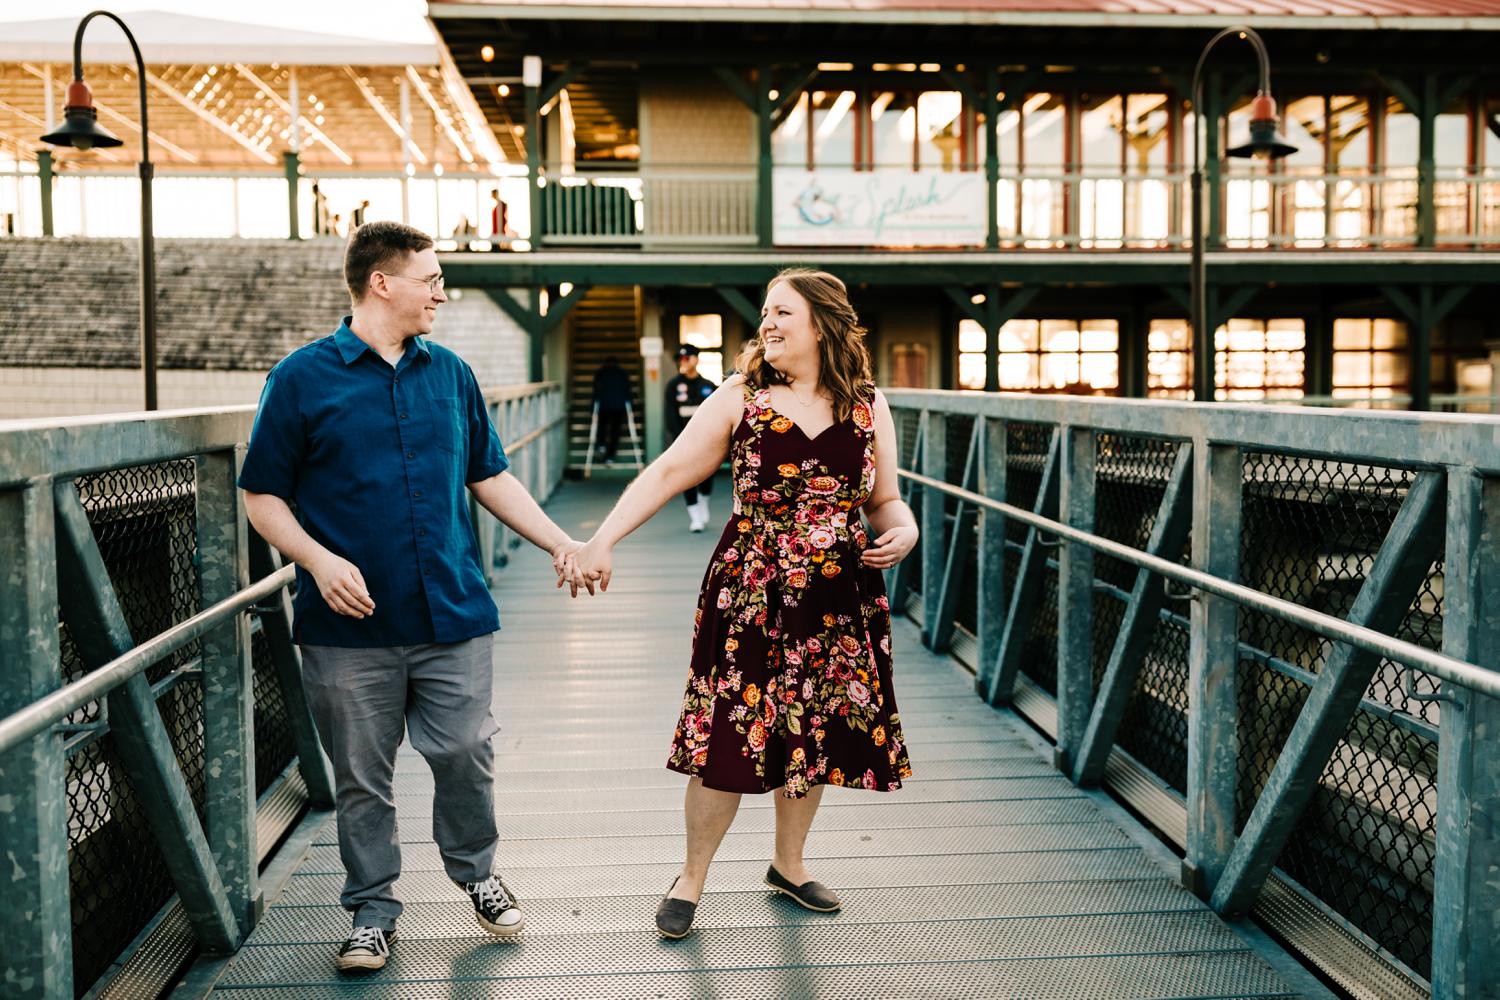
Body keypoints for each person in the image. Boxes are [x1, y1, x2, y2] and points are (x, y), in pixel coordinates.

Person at [239, 220, 583, 973]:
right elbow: (261, 494)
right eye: (431, 280)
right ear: (381, 284)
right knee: (363, 778)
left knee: (465, 749)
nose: (441, 293)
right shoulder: (299, 378)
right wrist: (317, 561)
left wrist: (558, 541)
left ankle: (477, 873)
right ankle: (371, 911)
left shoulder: (452, 374)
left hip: (452, 612)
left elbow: (489, 475)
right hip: (346, 625)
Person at [563, 268, 918, 939]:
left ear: (823, 323)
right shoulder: (741, 398)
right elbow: (668, 470)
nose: (768, 324)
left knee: (811, 733)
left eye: (782, 312)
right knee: (730, 732)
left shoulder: (869, 404)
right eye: (764, 313)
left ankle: (788, 864)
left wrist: (906, 527)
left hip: (837, 598)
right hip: (752, 592)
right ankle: (691, 878)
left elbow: (885, 499)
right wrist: (601, 538)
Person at [663, 343, 719, 531]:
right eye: (680, 359)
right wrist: (680, 440)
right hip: (683, 441)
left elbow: (715, 414)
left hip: (707, 440)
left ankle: (703, 502)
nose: (684, 362)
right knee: (687, 477)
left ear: (696, 359)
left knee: (706, 475)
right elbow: (670, 415)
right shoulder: (673, 385)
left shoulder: (708, 385)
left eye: (687, 357)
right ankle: (695, 517)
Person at [591, 356, 633, 464]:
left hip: (605, 406)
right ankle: (609, 454)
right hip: (617, 406)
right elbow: (627, 389)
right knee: (614, 432)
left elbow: (595, 389)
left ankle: (601, 446)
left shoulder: (601, 372)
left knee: (603, 427)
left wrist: (593, 406)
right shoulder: (622, 373)